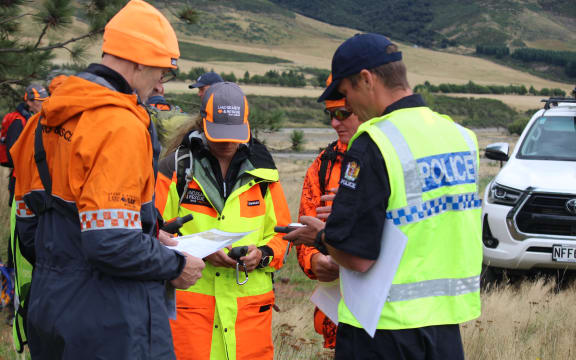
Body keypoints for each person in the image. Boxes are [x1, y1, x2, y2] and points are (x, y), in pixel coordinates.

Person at [10, 1, 205, 358]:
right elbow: (110, 243)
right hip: (113, 320)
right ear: (139, 61)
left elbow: (28, 233)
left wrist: (147, 232)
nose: (161, 84)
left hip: (49, 308)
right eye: (162, 71)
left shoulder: (43, 122)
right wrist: (175, 266)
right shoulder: (120, 124)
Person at [285, 33, 482, 359]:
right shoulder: (461, 137)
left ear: (366, 79)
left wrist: (320, 237)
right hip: (446, 329)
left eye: (345, 94)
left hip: (380, 329)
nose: (347, 107)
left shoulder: (375, 141)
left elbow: (357, 256)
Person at [155, 81, 291, 360]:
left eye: (234, 134)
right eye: (220, 134)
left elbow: (282, 235)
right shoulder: (175, 169)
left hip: (249, 322)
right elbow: (150, 233)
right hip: (191, 321)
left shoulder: (264, 172)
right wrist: (197, 252)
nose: (228, 142)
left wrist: (261, 255)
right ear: (203, 124)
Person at [296, 74, 361, 349]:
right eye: (330, 114)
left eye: (343, 113)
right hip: (335, 321)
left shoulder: (393, 158)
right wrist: (313, 261)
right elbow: (303, 227)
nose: (335, 122)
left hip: (390, 319)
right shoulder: (323, 165)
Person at [1, 84, 47, 205]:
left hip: (29, 179)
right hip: (19, 179)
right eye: (39, 101)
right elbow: (12, 155)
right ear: (29, 102)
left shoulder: (35, 118)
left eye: (43, 101)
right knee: (18, 219)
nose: (42, 104)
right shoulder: (18, 121)